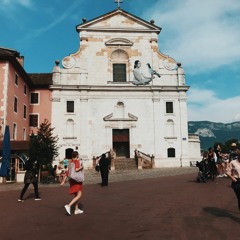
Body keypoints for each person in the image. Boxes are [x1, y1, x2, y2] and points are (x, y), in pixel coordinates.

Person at [60, 151, 84, 215]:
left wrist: (63, 181)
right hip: (77, 180)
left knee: (76, 195)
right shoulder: (77, 161)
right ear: (77, 156)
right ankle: (69, 206)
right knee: (79, 195)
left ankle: (76, 210)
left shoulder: (70, 163)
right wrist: (81, 167)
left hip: (72, 180)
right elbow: (76, 169)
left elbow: (67, 173)